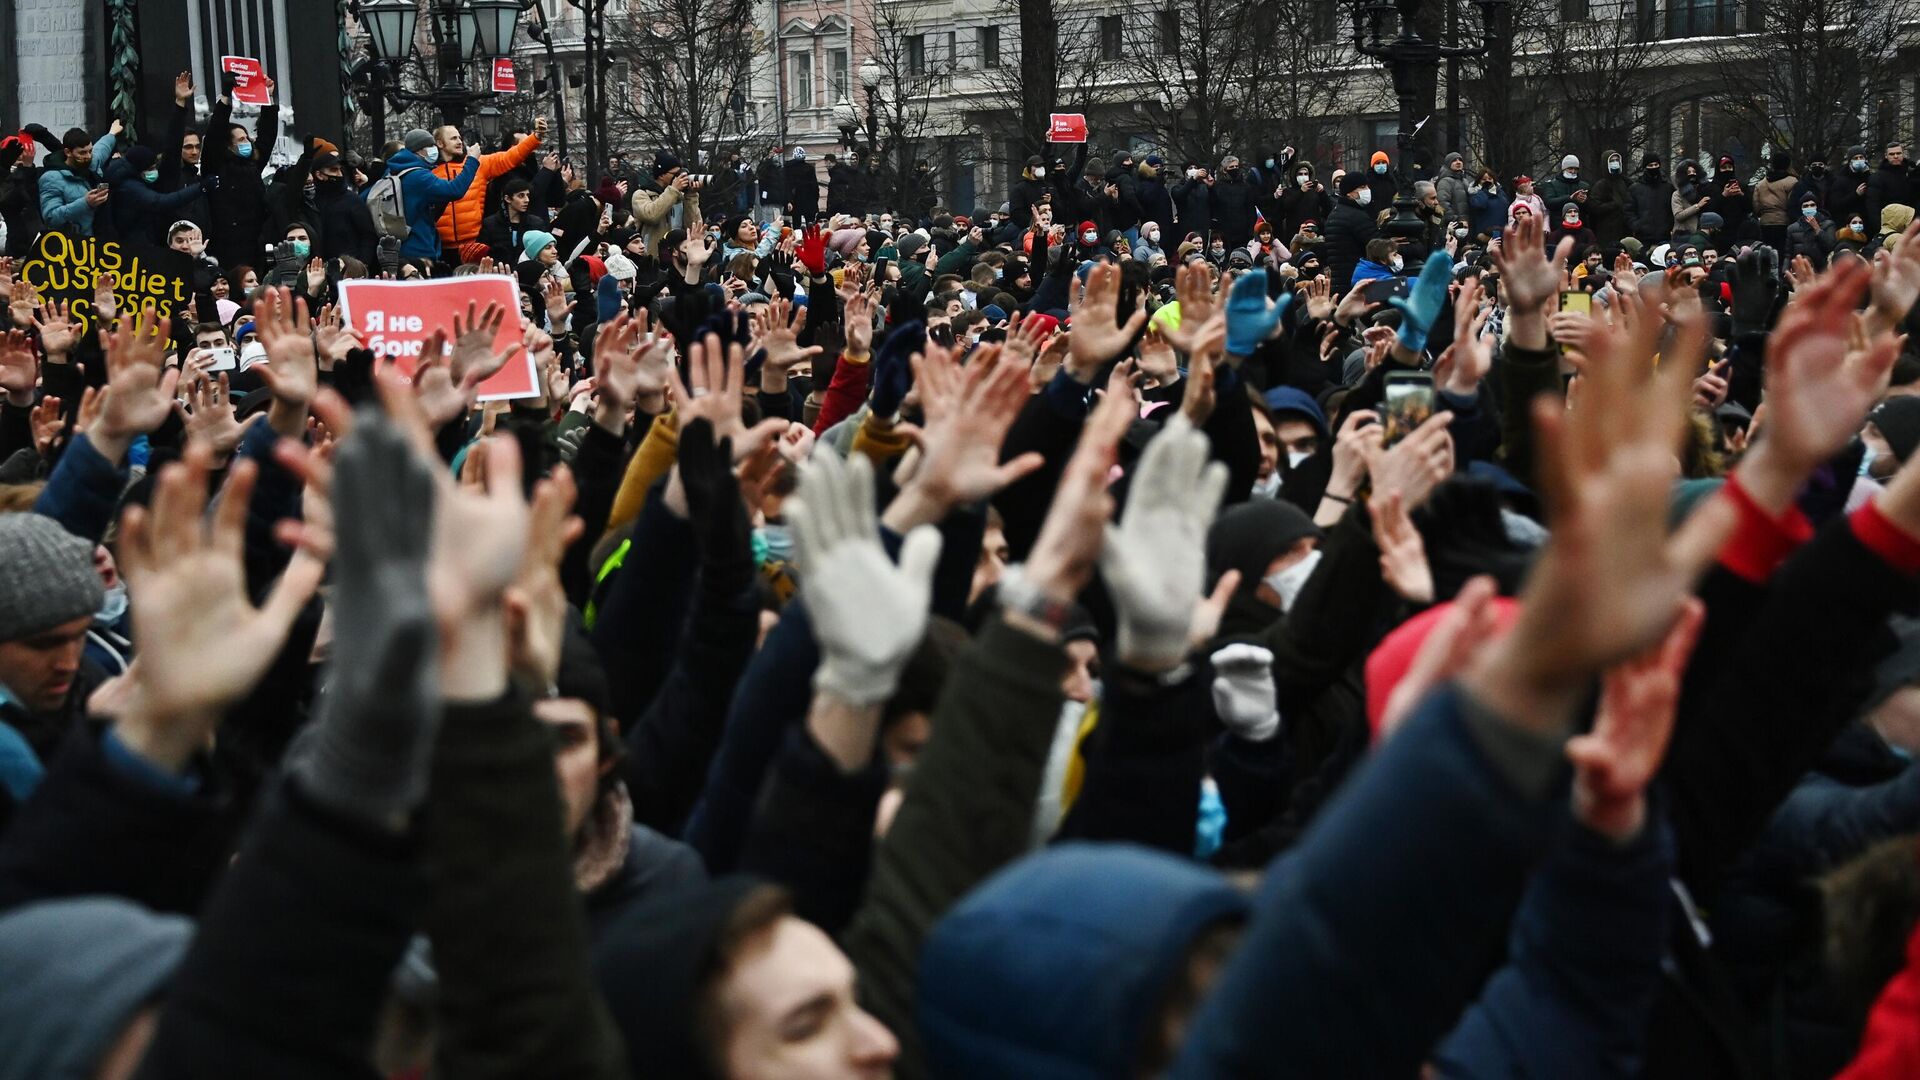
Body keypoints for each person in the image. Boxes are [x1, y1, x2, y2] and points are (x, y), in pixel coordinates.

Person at [428, 117, 545, 262]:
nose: (459, 141)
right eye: (453, 138)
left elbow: (511, 156)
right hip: (441, 247)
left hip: (473, 244)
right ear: (440, 143)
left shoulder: (479, 163)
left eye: (459, 137)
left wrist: (535, 138)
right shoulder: (429, 172)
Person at [200, 73, 278, 269]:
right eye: (241, 140)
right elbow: (215, 133)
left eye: (247, 138)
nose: (248, 143)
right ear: (228, 145)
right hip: (226, 248)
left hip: (254, 247)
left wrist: (267, 99)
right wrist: (226, 97)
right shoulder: (216, 165)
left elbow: (267, 137)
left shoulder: (253, 166)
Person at [386, 128, 480, 267]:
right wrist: (472, 160)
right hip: (418, 251)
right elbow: (455, 190)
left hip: (401, 247)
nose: (434, 150)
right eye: (429, 146)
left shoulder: (394, 170)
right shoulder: (418, 176)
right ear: (419, 150)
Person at [37, 125, 115, 238]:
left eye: (90, 151)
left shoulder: (91, 163)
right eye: (82, 153)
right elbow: (51, 217)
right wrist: (85, 203)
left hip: (100, 239)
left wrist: (112, 133)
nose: (88, 156)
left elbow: (102, 148)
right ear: (68, 152)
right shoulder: (51, 178)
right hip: (75, 246)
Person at [1324, 171, 1378, 290]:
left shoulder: (1335, 213)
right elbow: (1376, 244)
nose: (1367, 190)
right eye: (1362, 187)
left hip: (1339, 281)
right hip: (1356, 280)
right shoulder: (1356, 216)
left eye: (1367, 186)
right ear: (1349, 193)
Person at [1627, 153, 1674, 245]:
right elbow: (1628, 211)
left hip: (1664, 235)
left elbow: (1672, 209)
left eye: (1656, 165)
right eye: (1650, 165)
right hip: (1643, 237)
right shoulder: (1635, 188)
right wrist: (1637, 226)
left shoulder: (1668, 187)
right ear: (1645, 167)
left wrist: (1670, 226)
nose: (1654, 167)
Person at [1867, 141, 1915, 231]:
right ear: (1886, 156)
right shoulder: (1878, 177)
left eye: (1898, 153)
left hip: (1912, 224)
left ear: (1903, 154)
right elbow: (1873, 206)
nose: (1895, 156)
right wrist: (1880, 229)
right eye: (1892, 154)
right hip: (1889, 226)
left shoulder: (1912, 174)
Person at [1436, 152, 1472, 223]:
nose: (1458, 162)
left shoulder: (1464, 181)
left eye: (1460, 160)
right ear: (1448, 164)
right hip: (1454, 224)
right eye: (1454, 160)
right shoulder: (1445, 181)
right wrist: (1456, 220)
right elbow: (1443, 203)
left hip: (1467, 224)